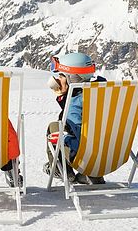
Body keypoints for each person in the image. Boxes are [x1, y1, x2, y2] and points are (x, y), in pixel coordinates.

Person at [43, 52, 107, 185]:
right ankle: (93, 176)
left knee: (54, 128)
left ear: (72, 78)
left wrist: (63, 138)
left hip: (86, 158)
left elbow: (82, 140)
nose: (57, 79)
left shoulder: (74, 105)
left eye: (61, 76)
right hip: (111, 154)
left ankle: (63, 171)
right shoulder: (105, 94)